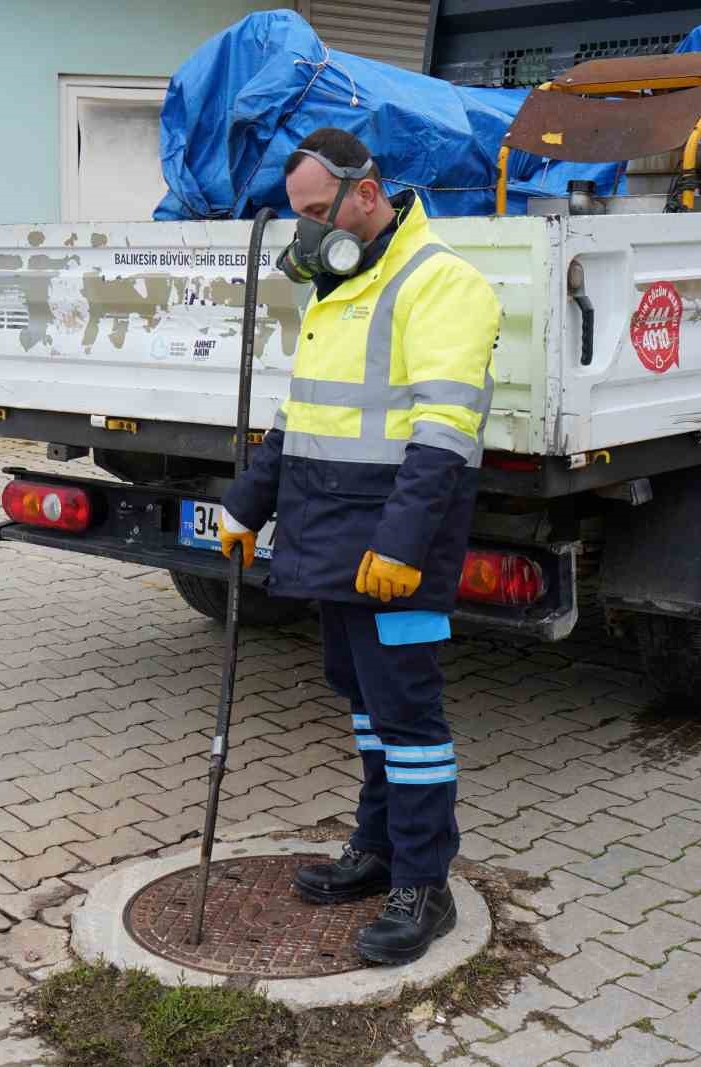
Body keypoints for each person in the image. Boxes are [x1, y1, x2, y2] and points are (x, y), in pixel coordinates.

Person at [219, 127, 500, 965]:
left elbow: (444, 433)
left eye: (316, 211)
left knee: (408, 716)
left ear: (366, 193)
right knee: (365, 703)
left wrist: (403, 545)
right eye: (298, 214)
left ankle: (424, 882)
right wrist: (246, 506)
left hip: (397, 550)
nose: (306, 229)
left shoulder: (442, 283)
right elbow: (302, 418)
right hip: (333, 540)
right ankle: (377, 848)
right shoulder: (339, 287)